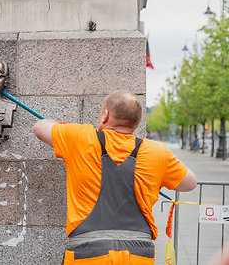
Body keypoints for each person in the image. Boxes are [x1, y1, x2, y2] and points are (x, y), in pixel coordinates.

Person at [33, 91, 197, 265]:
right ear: (136, 121)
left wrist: (61, 127)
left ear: (105, 115)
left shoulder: (79, 137)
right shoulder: (157, 152)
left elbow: (40, 127)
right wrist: (159, 176)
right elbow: (190, 183)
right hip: (139, 254)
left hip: (88, 253)